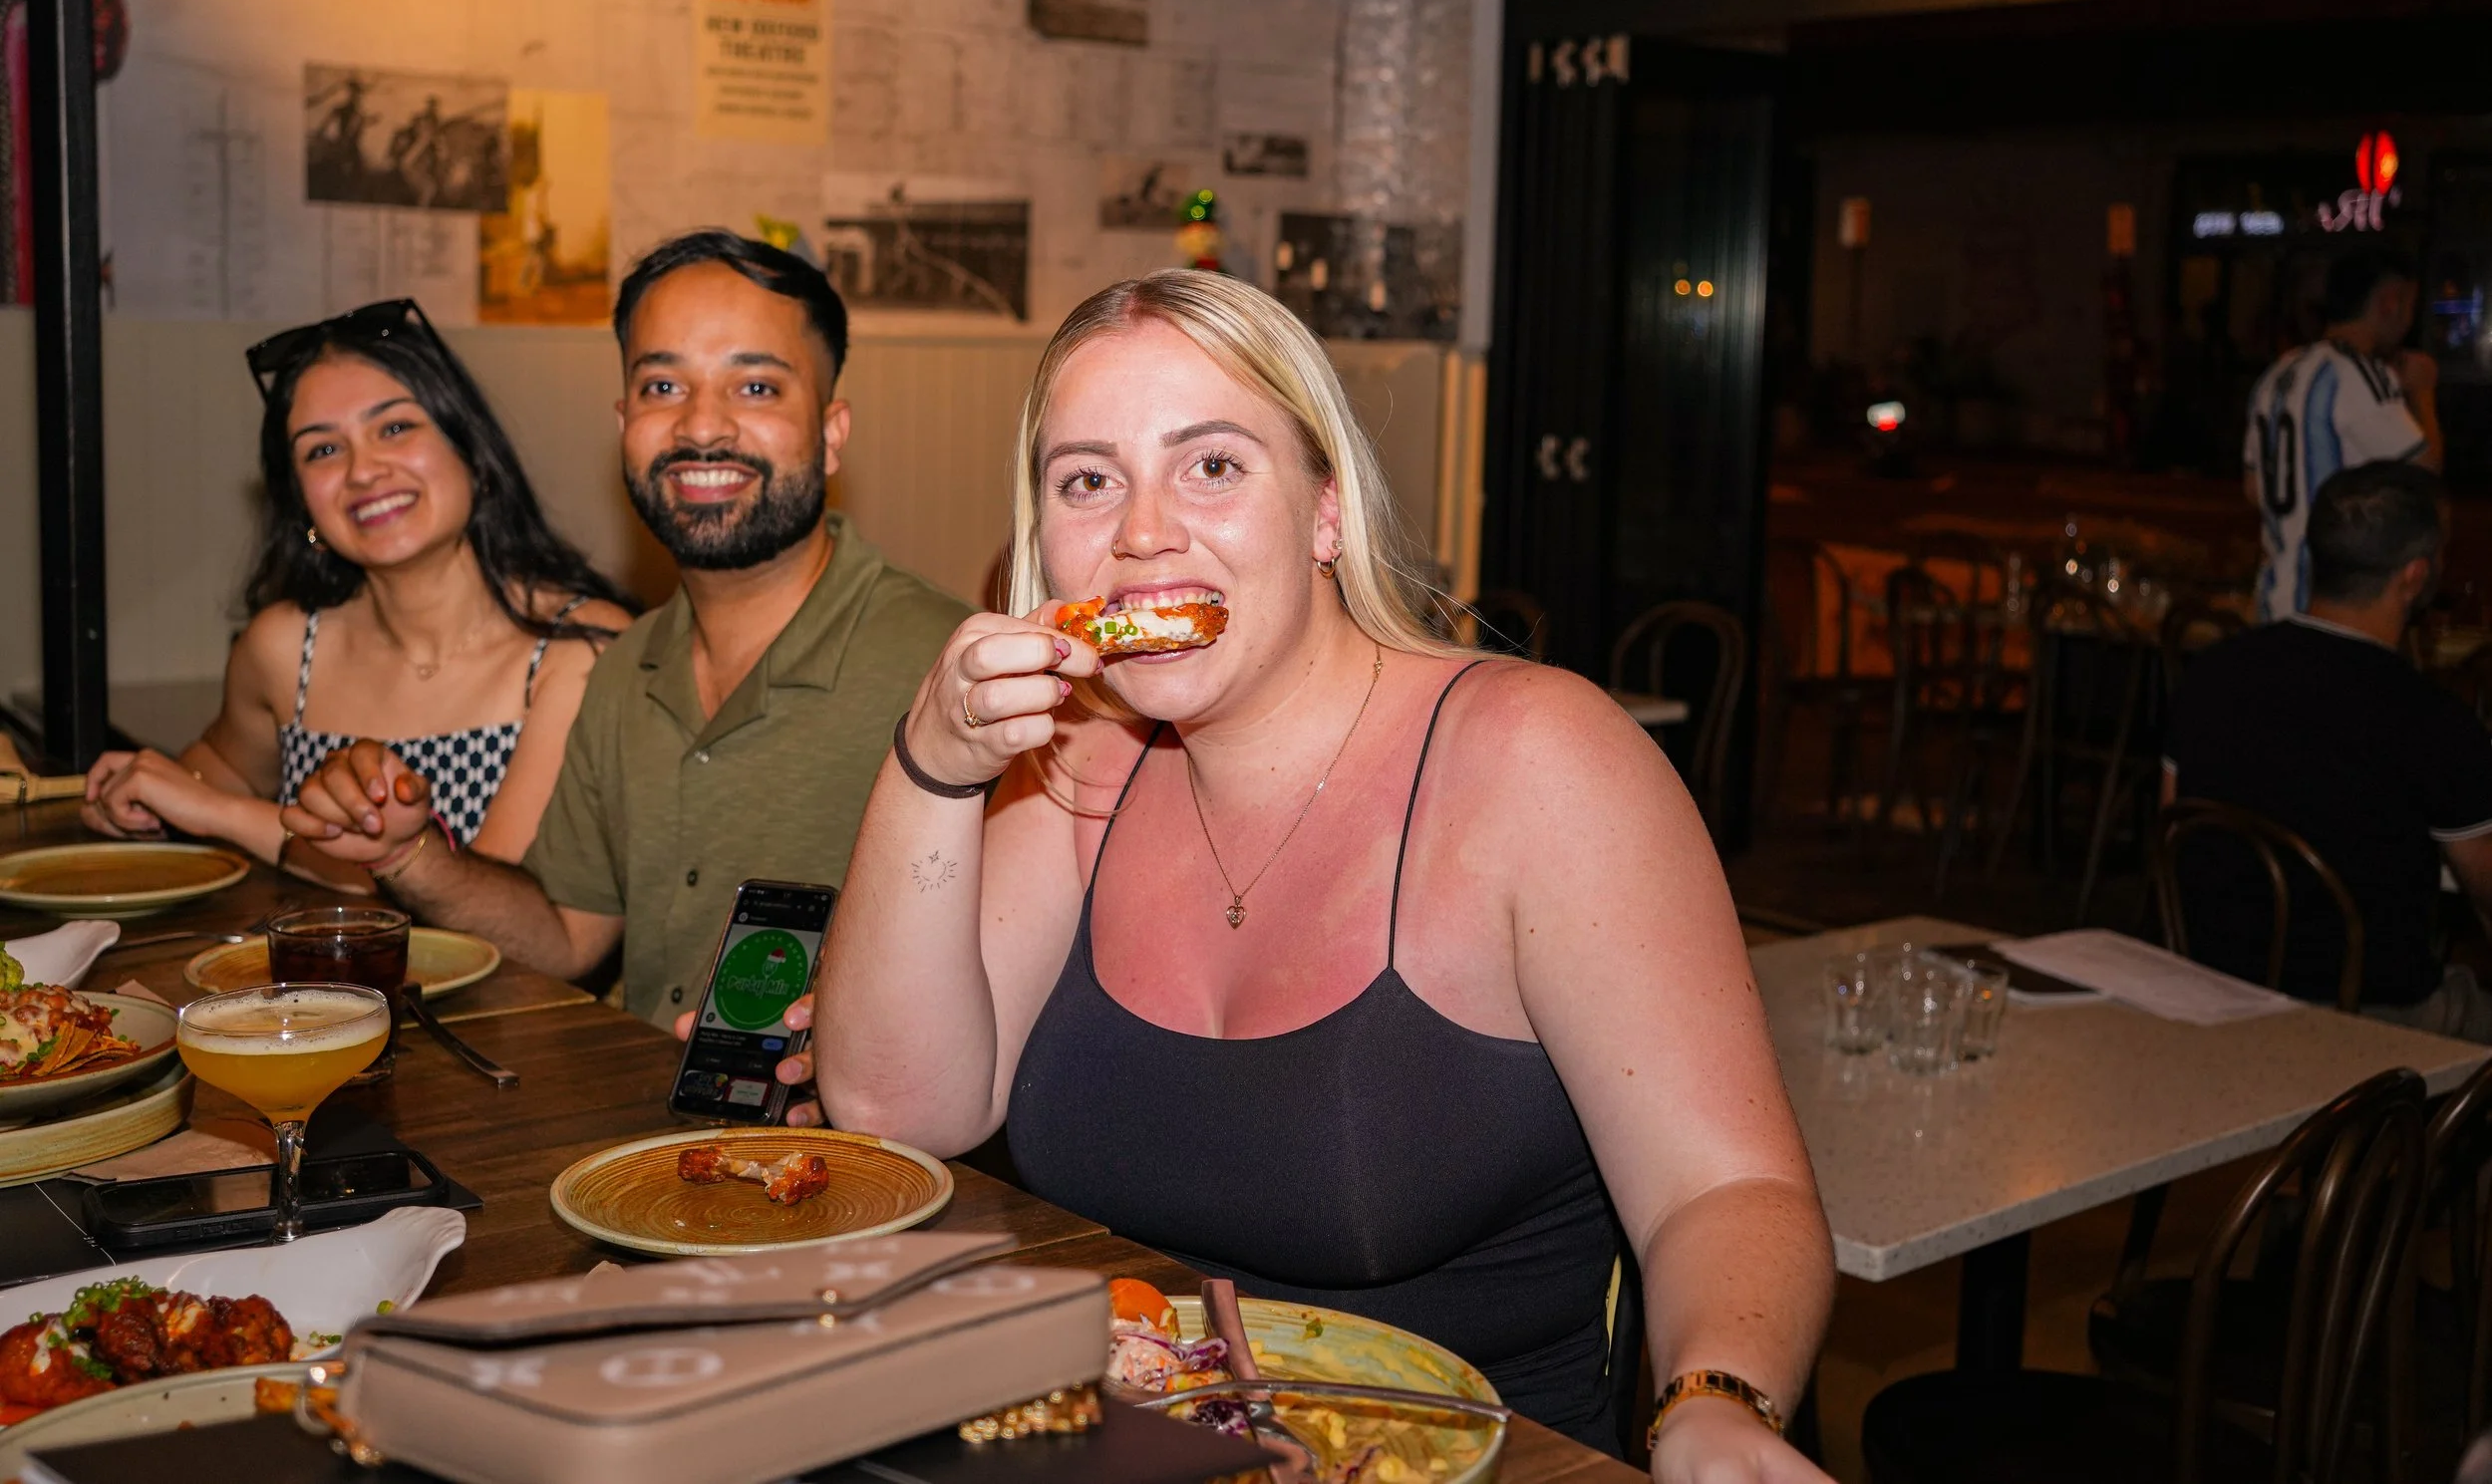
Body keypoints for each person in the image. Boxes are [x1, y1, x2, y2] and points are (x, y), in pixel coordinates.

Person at [789, 271, 1834, 1478]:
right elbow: (898, 1108)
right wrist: (932, 763)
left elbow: (1728, 1185)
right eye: (1088, 479)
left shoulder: (1536, 759)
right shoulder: (1085, 752)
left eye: (1213, 465)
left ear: (1325, 508)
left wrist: (1712, 1399)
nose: (1141, 530)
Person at [284, 231, 968, 1025]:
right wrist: (406, 854)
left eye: (755, 388)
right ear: (623, 422)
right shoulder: (624, 666)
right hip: (644, 1139)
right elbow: (566, 936)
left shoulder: (944, 672)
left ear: (832, 430)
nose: (701, 428)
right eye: (662, 387)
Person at [83, 299, 632, 881]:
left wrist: (220, 814)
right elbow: (220, 769)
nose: (363, 470)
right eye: (322, 450)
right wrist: (144, 797)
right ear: (303, 504)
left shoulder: (579, 651)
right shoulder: (286, 649)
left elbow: (491, 916)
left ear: (472, 453)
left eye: (395, 428)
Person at [2164, 460, 2492, 1039]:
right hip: (2365, 1023)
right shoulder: (2431, 719)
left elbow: (2173, 826)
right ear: (2415, 576)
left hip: (2207, 991)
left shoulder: (2210, 675)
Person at [2245, 245, 2443, 623]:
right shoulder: (2358, 372)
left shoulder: (2276, 375)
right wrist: (2423, 392)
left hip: (2273, 602)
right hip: (2331, 613)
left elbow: (2254, 489)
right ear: (2390, 302)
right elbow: (2426, 472)